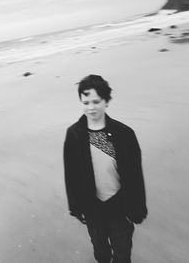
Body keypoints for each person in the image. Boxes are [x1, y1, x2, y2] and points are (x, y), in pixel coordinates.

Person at [63, 75, 147, 263]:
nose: (91, 107)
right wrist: (75, 207)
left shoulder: (124, 134)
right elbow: (71, 175)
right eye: (85, 102)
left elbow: (135, 175)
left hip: (120, 205)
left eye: (96, 101)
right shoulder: (75, 134)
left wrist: (138, 207)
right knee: (100, 251)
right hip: (92, 207)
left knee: (123, 253)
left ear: (106, 101)